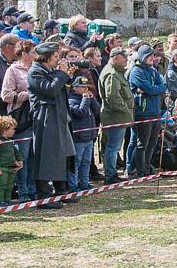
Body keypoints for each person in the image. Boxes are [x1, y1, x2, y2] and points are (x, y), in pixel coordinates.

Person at [27, 42, 78, 209]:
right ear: (46, 57)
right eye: (55, 56)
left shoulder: (50, 71)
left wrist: (66, 76)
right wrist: (62, 74)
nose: (58, 59)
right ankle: (44, 196)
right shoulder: (35, 72)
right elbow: (50, 90)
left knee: (63, 154)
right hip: (45, 118)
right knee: (46, 156)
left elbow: (61, 90)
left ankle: (61, 190)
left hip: (59, 117)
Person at [0, 39, 37, 202]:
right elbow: (5, 95)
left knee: (34, 156)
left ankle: (33, 188)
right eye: (33, 52)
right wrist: (25, 96)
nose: (35, 55)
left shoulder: (36, 69)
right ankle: (23, 191)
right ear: (24, 53)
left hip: (36, 116)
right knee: (23, 157)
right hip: (21, 118)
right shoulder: (13, 70)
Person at [128, 45, 167, 177]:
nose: (153, 58)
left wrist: (155, 89)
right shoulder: (136, 71)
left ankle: (146, 167)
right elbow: (150, 89)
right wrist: (155, 89)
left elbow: (163, 86)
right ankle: (138, 171)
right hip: (143, 113)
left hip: (156, 111)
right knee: (142, 144)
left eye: (153, 55)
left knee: (152, 143)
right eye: (150, 55)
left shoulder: (152, 71)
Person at [99, 47, 133, 184]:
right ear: (115, 58)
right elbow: (113, 98)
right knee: (112, 147)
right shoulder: (112, 74)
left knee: (113, 146)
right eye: (123, 57)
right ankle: (110, 175)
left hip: (119, 116)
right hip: (115, 116)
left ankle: (112, 173)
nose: (126, 59)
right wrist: (126, 109)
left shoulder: (117, 73)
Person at [67, 76, 101, 192]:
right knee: (76, 163)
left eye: (86, 87)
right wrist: (86, 99)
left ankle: (84, 183)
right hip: (78, 138)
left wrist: (92, 99)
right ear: (75, 87)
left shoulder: (86, 98)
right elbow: (80, 112)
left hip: (89, 137)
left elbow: (97, 111)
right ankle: (73, 186)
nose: (85, 89)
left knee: (86, 162)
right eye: (82, 87)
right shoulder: (71, 100)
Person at [0, 115, 23, 207]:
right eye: (12, 129)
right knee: (1, 186)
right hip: (2, 169)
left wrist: (20, 160)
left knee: (9, 186)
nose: (14, 131)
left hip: (11, 168)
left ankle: (7, 201)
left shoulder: (9, 141)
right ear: (4, 130)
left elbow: (16, 152)